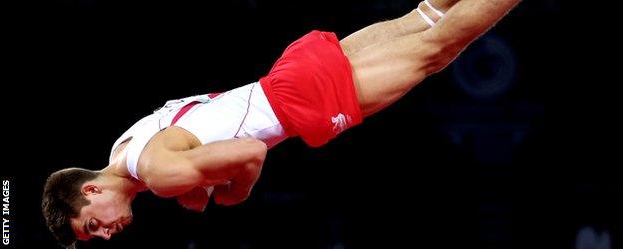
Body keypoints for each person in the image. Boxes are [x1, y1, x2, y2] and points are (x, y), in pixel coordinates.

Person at [41, 0, 521, 247]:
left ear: (90, 192)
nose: (108, 235)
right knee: (425, 16)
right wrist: (204, 183)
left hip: (300, 102)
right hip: (285, 75)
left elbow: (250, 152)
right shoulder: (123, 149)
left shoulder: (161, 178)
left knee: (439, 49)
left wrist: (228, 193)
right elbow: (202, 124)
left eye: (93, 227)